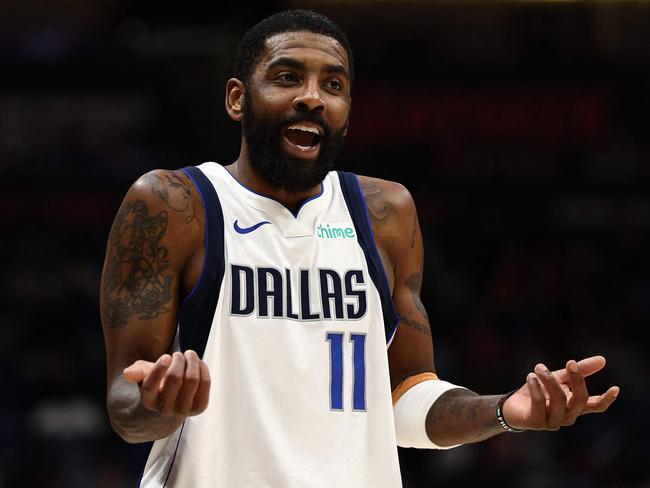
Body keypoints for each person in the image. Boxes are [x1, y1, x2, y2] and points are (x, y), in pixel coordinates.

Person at [100, 9, 620, 487]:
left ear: (348, 109)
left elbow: (406, 399)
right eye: (287, 77)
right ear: (238, 97)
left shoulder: (386, 211)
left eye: (333, 84)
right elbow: (126, 408)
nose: (312, 97)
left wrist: (507, 409)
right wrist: (161, 403)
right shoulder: (172, 203)